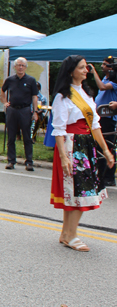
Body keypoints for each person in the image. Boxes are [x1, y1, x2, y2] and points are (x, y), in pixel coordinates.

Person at [50, 55, 114, 252]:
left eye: (86, 68)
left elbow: (95, 126)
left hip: (86, 146)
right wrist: (63, 157)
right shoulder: (63, 96)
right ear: (71, 71)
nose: (86, 71)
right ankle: (71, 235)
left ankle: (66, 233)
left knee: (78, 191)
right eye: (82, 68)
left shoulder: (86, 94)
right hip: (71, 146)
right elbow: (59, 129)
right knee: (79, 192)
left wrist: (106, 150)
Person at [0, 57, 38, 171]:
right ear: (15, 67)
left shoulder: (31, 80)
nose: (21, 67)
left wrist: (35, 112)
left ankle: (29, 162)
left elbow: (34, 96)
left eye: (23, 65)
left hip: (25, 110)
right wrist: (5, 102)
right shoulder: (10, 79)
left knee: (27, 137)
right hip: (12, 109)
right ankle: (11, 161)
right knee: (11, 136)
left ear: (25, 67)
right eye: (19, 65)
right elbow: (2, 91)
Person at [89, 56, 117, 186]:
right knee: (99, 146)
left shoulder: (114, 80)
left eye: (106, 65)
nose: (103, 67)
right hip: (100, 117)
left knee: (108, 146)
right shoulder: (107, 78)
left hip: (108, 117)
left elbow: (102, 87)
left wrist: (93, 72)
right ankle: (100, 173)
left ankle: (109, 176)